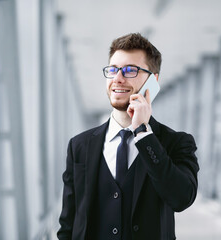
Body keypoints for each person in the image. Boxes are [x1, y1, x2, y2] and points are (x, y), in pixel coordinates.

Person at [57, 33, 199, 240]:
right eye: (113, 69)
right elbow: (67, 225)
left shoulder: (176, 143)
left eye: (130, 70)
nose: (118, 78)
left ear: (153, 80)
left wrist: (143, 134)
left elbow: (181, 198)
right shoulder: (79, 145)